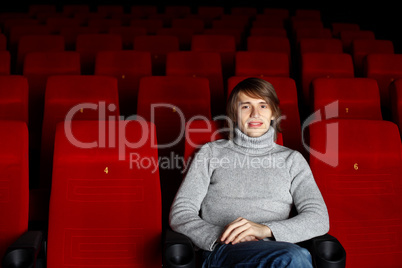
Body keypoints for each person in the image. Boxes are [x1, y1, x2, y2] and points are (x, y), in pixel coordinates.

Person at [169, 77, 329, 267]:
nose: (255, 113)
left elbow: (318, 218)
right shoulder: (210, 153)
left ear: (273, 113)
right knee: (294, 258)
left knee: (292, 257)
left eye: (263, 106)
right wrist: (224, 235)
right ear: (234, 114)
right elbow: (180, 213)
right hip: (224, 252)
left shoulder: (292, 160)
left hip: (280, 250)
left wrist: (265, 230)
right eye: (245, 106)